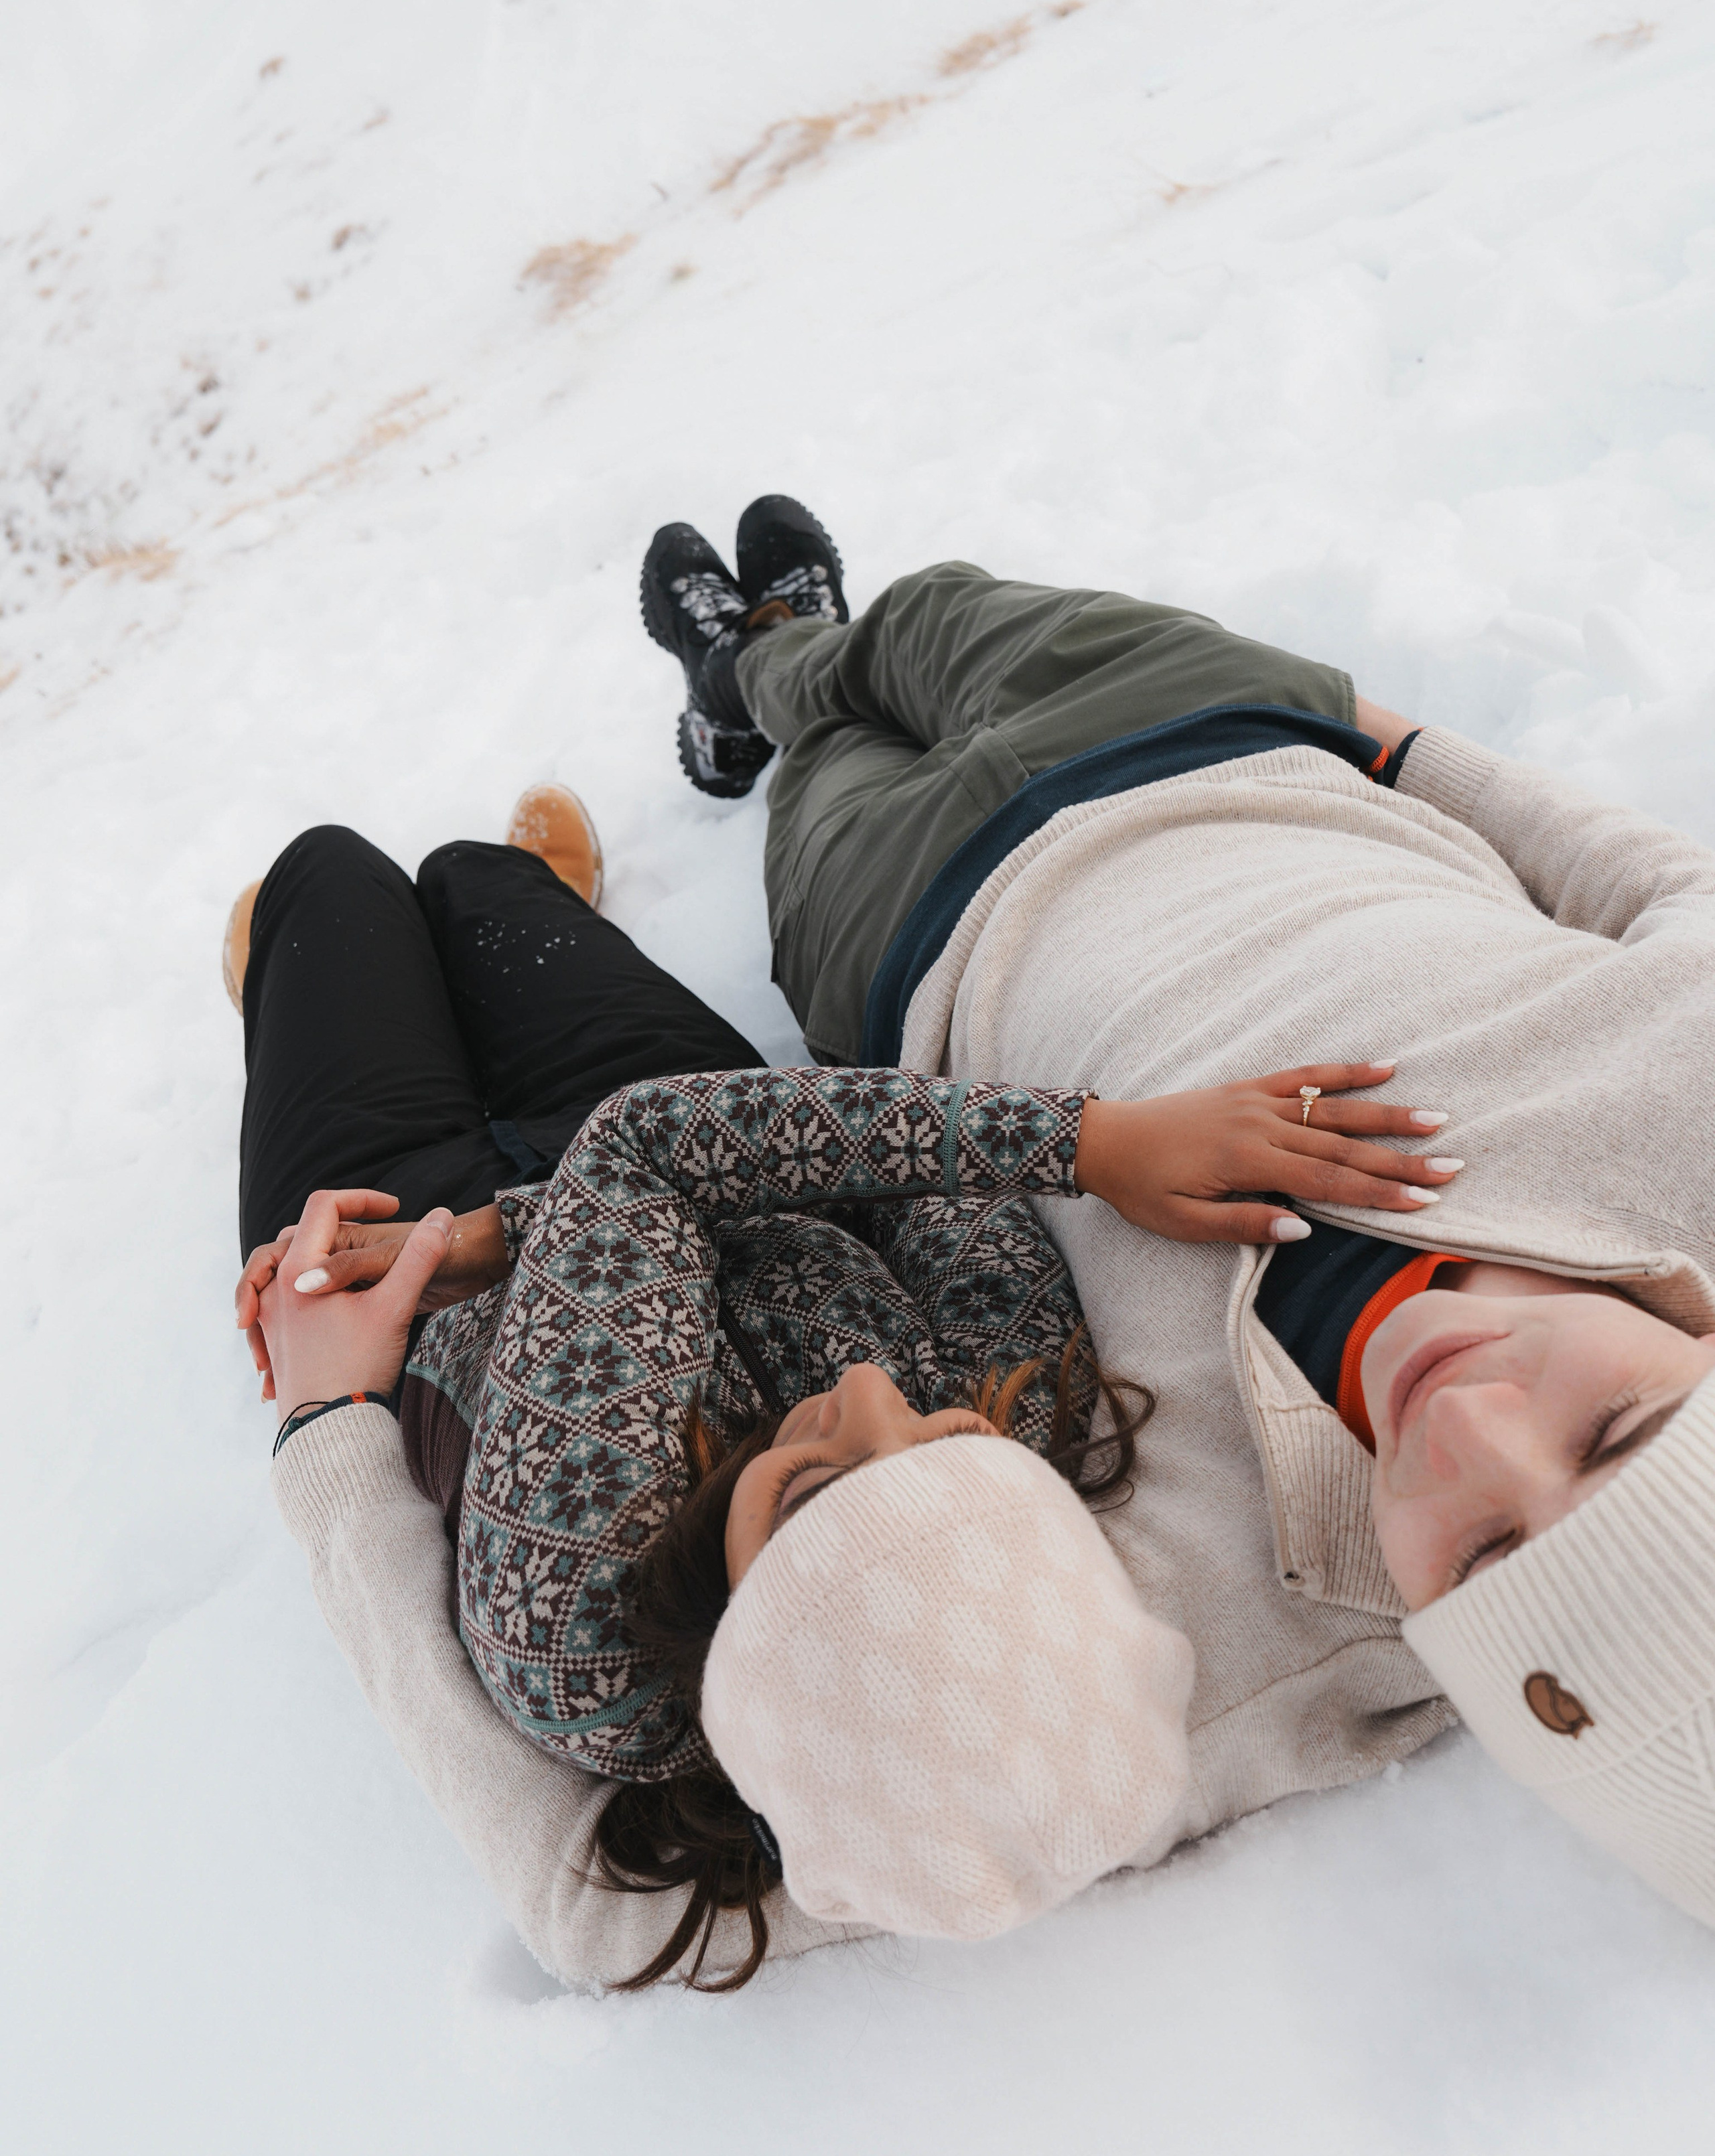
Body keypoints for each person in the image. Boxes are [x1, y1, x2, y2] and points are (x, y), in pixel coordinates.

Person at [234, 713, 1449, 1988]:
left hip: (406, 1262)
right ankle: (480, 921)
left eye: (807, 1481)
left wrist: (486, 1237)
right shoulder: (1012, 1455)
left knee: (332, 876)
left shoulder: (580, 1626)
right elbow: (943, 1202)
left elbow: (638, 1156)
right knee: (483, 884)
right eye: (946, 1440)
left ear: (735, 1626)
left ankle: (292, 972)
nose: (873, 1396)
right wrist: (1098, 1145)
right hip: (725, 1166)